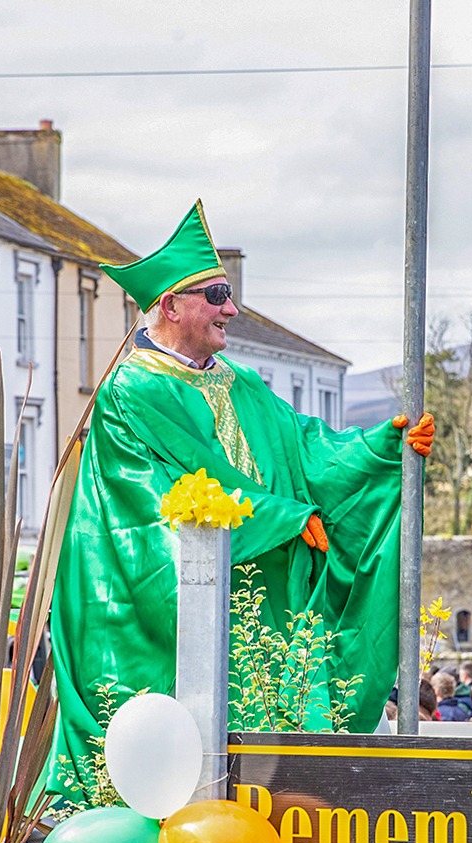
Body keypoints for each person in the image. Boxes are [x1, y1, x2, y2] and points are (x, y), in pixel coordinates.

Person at [48, 201, 435, 793]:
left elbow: (309, 450)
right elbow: (161, 497)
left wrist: (387, 446)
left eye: (228, 293)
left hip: (261, 596)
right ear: (171, 305)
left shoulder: (243, 384)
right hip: (169, 605)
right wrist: (281, 517)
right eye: (216, 294)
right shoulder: (130, 393)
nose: (231, 308)